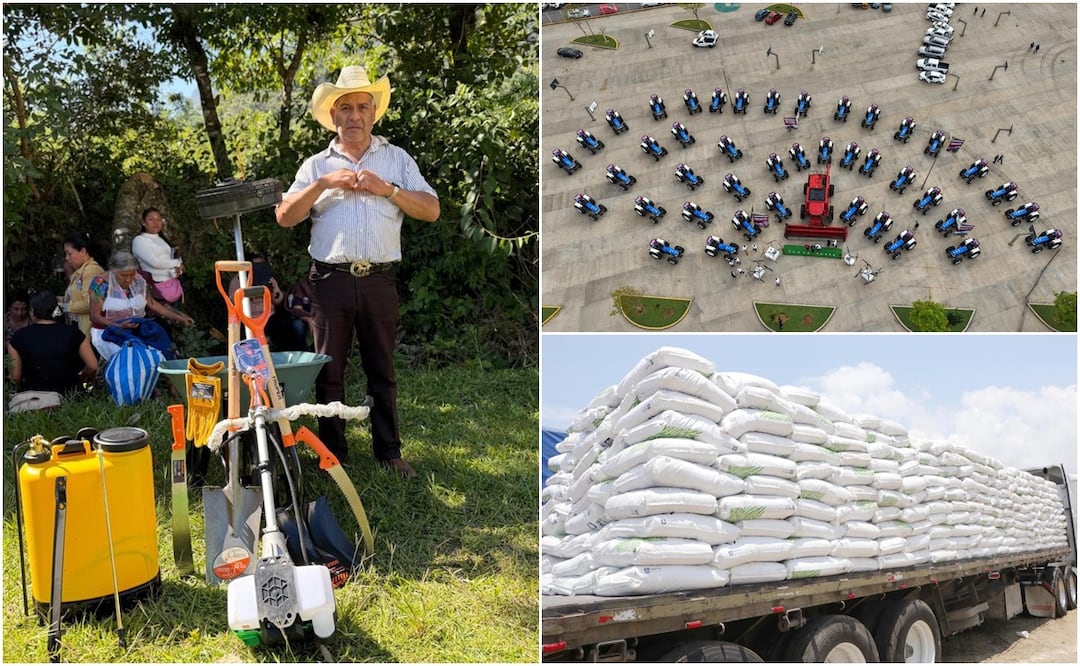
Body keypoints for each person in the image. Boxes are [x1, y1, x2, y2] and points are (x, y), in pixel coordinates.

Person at [276, 65, 440, 477]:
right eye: (345, 107)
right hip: (329, 280)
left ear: (373, 113)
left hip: (380, 280)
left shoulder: (396, 158)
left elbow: (432, 210)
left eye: (362, 107)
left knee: (381, 368)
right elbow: (284, 217)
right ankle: (333, 453)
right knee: (329, 371)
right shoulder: (316, 165)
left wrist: (390, 190)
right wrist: (322, 185)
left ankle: (390, 452)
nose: (354, 115)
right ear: (333, 115)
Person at [88, 250, 194, 362]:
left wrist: (179, 318)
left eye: (132, 274)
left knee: (160, 350)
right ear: (113, 271)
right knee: (134, 358)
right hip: (108, 331)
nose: (129, 279)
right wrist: (118, 325)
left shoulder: (139, 280)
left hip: (135, 327)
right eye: (124, 275)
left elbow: (152, 303)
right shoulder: (99, 283)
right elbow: (94, 316)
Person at [8, 290, 97, 394]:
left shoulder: (18, 338)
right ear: (56, 310)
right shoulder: (74, 333)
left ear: (32, 312)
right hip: (70, 396)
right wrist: (83, 378)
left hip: (33, 398)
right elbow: (93, 366)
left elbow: (15, 377)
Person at [131, 207, 185, 305]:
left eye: (158, 219)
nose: (155, 223)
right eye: (151, 219)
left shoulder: (162, 239)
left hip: (172, 285)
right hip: (156, 288)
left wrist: (179, 269)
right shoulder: (140, 240)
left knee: (176, 317)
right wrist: (178, 262)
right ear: (143, 222)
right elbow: (155, 262)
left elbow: (169, 260)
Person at [62, 231, 106, 337]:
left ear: (83, 251)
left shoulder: (91, 270)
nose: (67, 258)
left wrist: (66, 307)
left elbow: (89, 303)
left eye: (70, 254)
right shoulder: (81, 271)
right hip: (82, 328)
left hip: (89, 331)